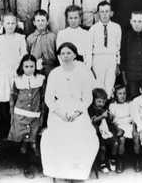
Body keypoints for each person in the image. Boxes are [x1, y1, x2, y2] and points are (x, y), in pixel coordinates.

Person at [41, 42, 99, 182]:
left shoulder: (82, 72)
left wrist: (76, 113)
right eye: (62, 54)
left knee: (85, 138)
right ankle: (60, 173)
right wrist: (60, 114)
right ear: (59, 56)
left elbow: (87, 97)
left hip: (78, 110)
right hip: (58, 112)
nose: (65, 56)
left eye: (68, 53)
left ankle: (77, 172)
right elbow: (49, 98)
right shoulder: (55, 73)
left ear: (74, 54)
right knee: (55, 138)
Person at [8, 54, 45, 178]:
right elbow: (13, 98)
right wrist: (13, 115)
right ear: (22, 67)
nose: (29, 69)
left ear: (35, 67)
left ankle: (38, 164)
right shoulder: (18, 79)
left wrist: (42, 116)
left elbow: (43, 98)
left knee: (33, 142)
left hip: (35, 115)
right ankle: (26, 166)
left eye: (32, 66)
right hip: (20, 115)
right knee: (23, 142)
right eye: (26, 66)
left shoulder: (40, 79)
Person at [0, 13, 27, 139]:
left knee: (16, 102)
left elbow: (24, 56)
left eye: (13, 23)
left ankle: (16, 131)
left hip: (16, 74)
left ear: (16, 24)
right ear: (3, 24)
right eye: (8, 23)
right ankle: (4, 132)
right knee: (4, 103)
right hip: (3, 75)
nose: (10, 26)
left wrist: (22, 73)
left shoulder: (20, 38)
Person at [120, 11, 142, 100]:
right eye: (134, 21)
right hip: (132, 76)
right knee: (134, 99)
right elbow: (123, 57)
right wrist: (124, 76)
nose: (137, 24)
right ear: (130, 21)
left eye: (139, 21)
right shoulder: (126, 37)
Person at [90, 1, 121, 98]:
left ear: (111, 13)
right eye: (102, 11)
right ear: (98, 13)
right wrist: (90, 66)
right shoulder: (93, 29)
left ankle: (108, 108)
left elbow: (118, 47)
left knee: (109, 85)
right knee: (98, 85)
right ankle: (99, 109)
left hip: (111, 58)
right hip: (98, 59)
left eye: (107, 11)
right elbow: (89, 49)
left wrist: (117, 63)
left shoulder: (116, 27)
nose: (104, 14)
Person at [88, 88, 115, 174]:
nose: (101, 104)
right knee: (102, 147)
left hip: (106, 131)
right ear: (93, 100)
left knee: (114, 143)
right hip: (97, 132)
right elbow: (92, 121)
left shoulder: (104, 109)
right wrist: (102, 116)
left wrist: (110, 117)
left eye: (103, 102)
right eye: (99, 101)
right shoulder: (91, 109)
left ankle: (112, 160)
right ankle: (102, 163)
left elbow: (108, 121)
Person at [109, 85, 133, 173]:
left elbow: (133, 117)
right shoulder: (113, 105)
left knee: (136, 136)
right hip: (117, 127)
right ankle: (120, 161)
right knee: (121, 139)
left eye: (124, 93)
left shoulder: (129, 104)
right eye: (119, 93)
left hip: (129, 126)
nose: (122, 96)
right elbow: (112, 121)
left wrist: (128, 120)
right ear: (115, 94)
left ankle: (136, 159)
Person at [27, 9, 57, 76]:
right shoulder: (30, 38)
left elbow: (56, 53)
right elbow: (28, 53)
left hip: (50, 65)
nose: (40, 23)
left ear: (47, 22)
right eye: (38, 21)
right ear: (34, 23)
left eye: (43, 20)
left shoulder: (52, 36)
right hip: (34, 66)